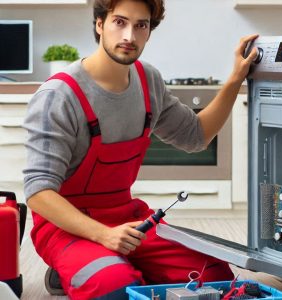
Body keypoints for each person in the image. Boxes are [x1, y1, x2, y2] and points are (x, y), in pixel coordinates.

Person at [23, 0, 259, 299]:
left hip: (129, 219)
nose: (129, 37)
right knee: (115, 287)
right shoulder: (59, 96)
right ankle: (84, 266)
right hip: (65, 227)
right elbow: (38, 193)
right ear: (100, 24)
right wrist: (103, 235)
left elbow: (196, 136)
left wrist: (236, 78)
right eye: (119, 22)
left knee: (212, 275)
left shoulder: (148, 81)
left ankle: (111, 263)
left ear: (149, 31)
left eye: (141, 25)